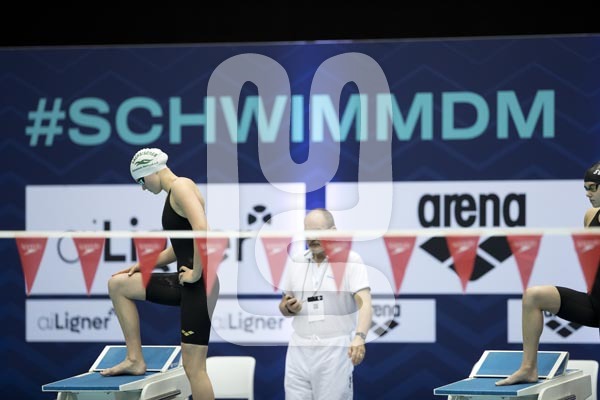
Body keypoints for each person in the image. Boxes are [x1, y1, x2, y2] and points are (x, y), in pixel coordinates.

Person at [100, 148, 219, 400]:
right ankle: (134, 359)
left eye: (141, 181)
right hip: (186, 282)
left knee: (194, 368)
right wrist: (146, 264)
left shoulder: (181, 187)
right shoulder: (175, 193)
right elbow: (180, 247)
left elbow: (203, 230)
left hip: (200, 284)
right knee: (118, 285)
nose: (143, 188)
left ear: (150, 171)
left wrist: (196, 273)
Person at [496, 161, 600, 386]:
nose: (587, 193)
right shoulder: (590, 217)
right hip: (595, 304)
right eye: (585, 188)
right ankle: (528, 368)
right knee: (534, 296)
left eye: (592, 187)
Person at [279, 208, 372, 399]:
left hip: (334, 350)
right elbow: (283, 305)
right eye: (308, 232)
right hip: (299, 349)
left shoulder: (350, 260)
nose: (312, 238)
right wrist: (288, 307)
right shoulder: (296, 261)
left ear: (333, 231)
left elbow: (365, 304)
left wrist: (360, 337)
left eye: (318, 231)